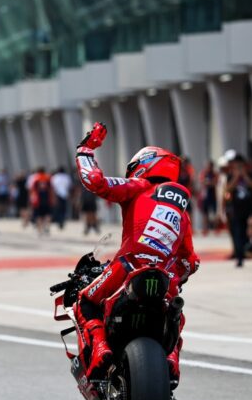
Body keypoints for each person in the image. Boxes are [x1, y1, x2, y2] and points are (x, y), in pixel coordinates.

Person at [74, 122, 199, 385]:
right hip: (165, 279)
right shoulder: (182, 213)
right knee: (176, 315)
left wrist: (85, 150)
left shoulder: (138, 186)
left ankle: (100, 349)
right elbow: (190, 261)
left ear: (145, 165)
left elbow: (95, 182)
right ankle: (172, 360)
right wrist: (176, 276)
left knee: (85, 302)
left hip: (126, 268)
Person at [226, 154, 252, 267]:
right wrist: (236, 177)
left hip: (250, 210)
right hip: (237, 211)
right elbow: (227, 189)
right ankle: (239, 257)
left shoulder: (251, 174)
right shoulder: (231, 176)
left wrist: (245, 176)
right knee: (238, 234)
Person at [29, 167, 54, 235]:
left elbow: (32, 190)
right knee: (48, 214)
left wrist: (31, 200)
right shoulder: (48, 178)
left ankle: (40, 230)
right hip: (47, 199)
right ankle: (47, 227)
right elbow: (51, 189)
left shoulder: (35, 178)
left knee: (39, 216)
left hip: (38, 200)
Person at [198, 160, 219, 235]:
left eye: (210, 166)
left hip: (213, 195)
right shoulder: (204, 173)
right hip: (205, 196)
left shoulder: (214, 174)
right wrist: (209, 182)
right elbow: (202, 181)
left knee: (214, 213)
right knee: (205, 214)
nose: (209, 168)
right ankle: (205, 229)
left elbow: (215, 182)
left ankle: (216, 228)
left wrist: (208, 182)